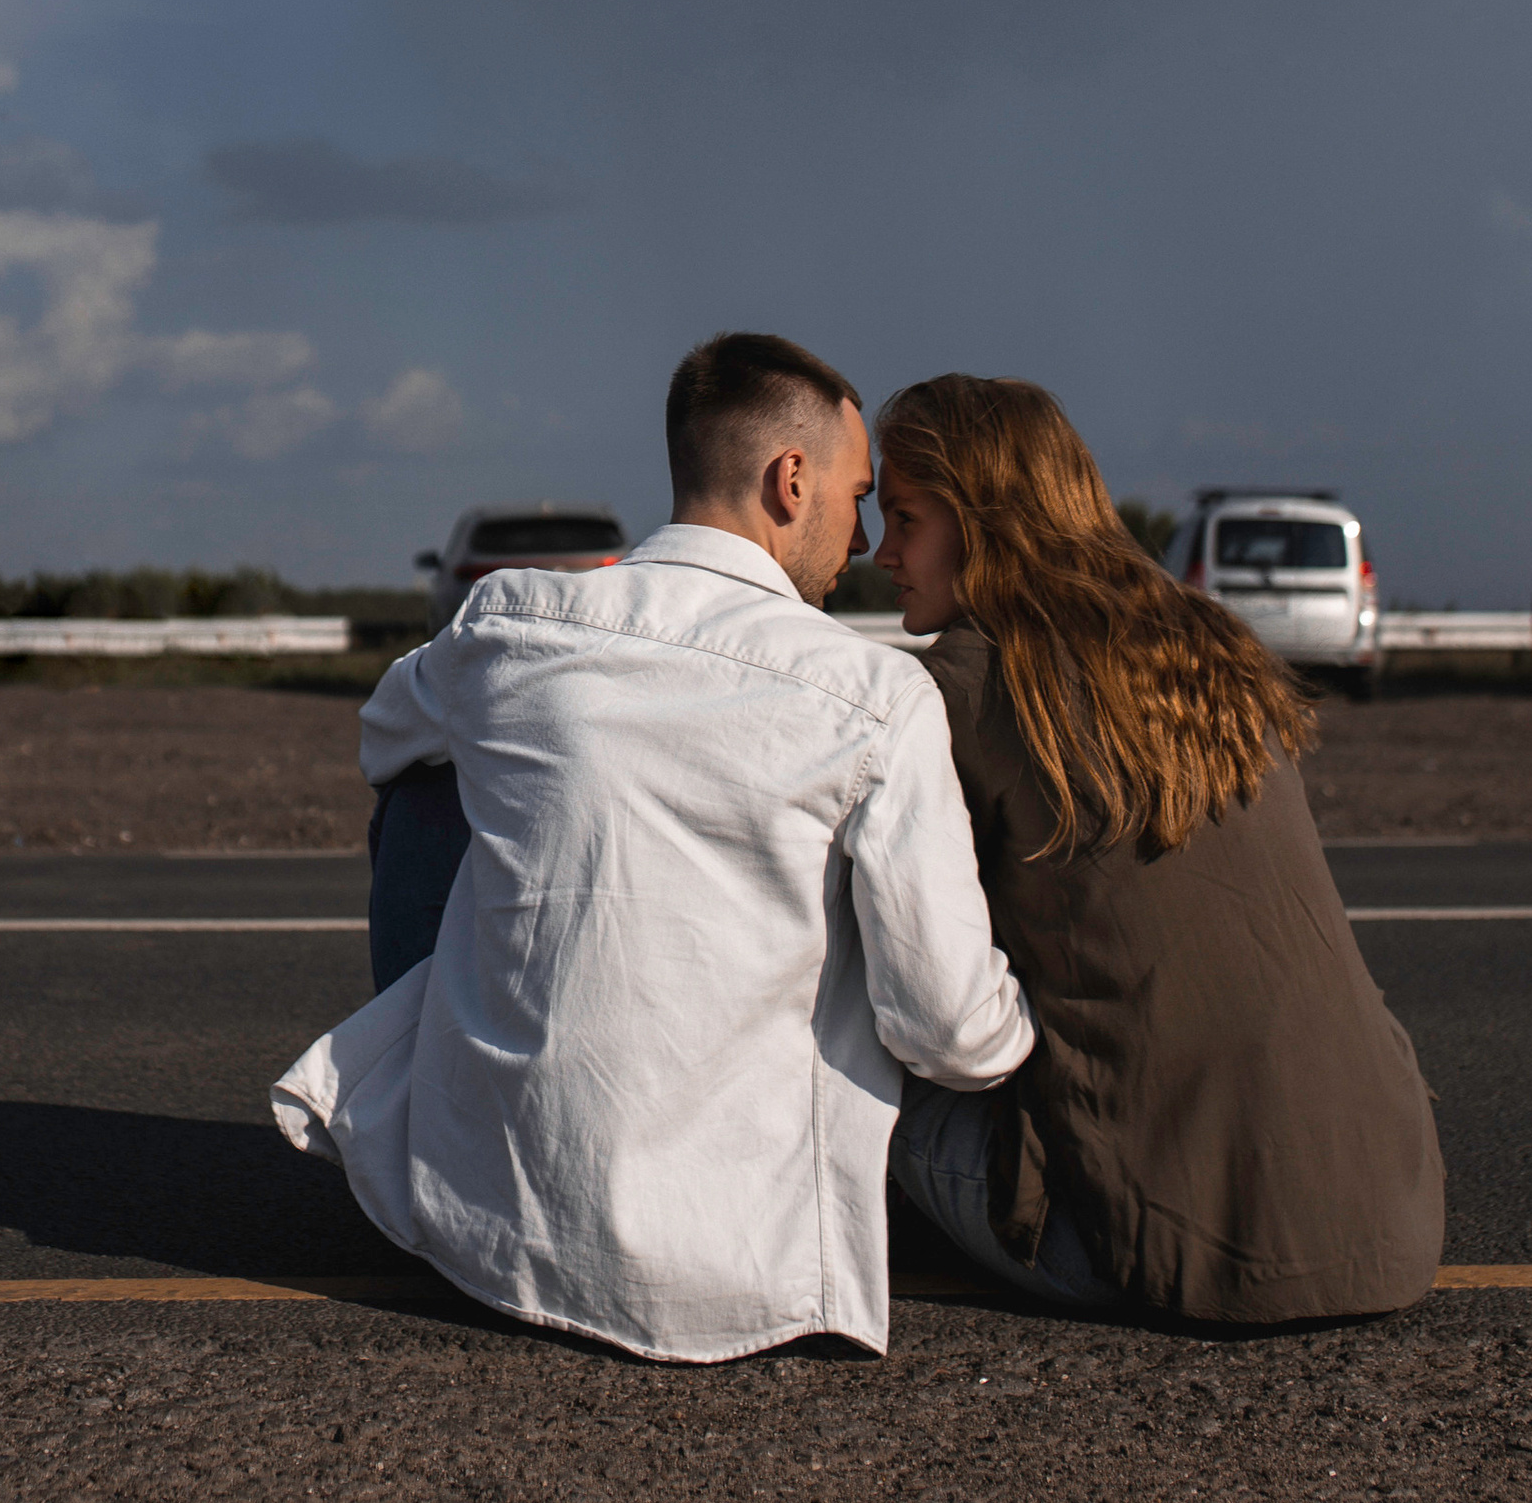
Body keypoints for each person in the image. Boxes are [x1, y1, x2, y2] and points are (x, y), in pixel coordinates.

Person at [272, 332, 1035, 1360]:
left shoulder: (510, 620)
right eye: (858, 498)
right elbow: (947, 1032)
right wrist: (1031, 1024)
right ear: (791, 479)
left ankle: (468, 1117)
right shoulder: (874, 695)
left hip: (483, 1233)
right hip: (731, 1278)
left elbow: (384, 742)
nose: (860, 540)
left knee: (426, 787)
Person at [873, 376, 1444, 1326]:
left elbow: (929, 996)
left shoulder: (962, 688)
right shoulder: (1208, 645)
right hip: (1392, 1221)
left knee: (860, 1069)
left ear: (984, 522)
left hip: (1162, 1256)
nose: (881, 552)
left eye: (904, 518)